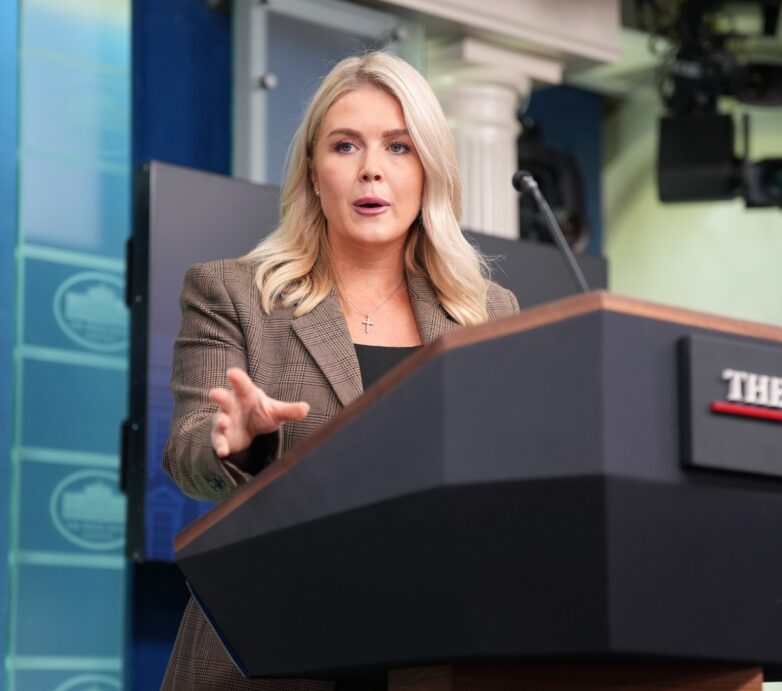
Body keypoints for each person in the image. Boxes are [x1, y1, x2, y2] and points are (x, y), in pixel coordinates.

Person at [160, 51, 520, 690]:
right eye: (346, 146)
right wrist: (240, 444)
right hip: (272, 652)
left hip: (440, 651)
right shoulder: (233, 293)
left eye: (400, 147)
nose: (372, 169)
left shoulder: (488, 313)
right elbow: (189, 448)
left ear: (430, 171)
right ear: (313, 171)